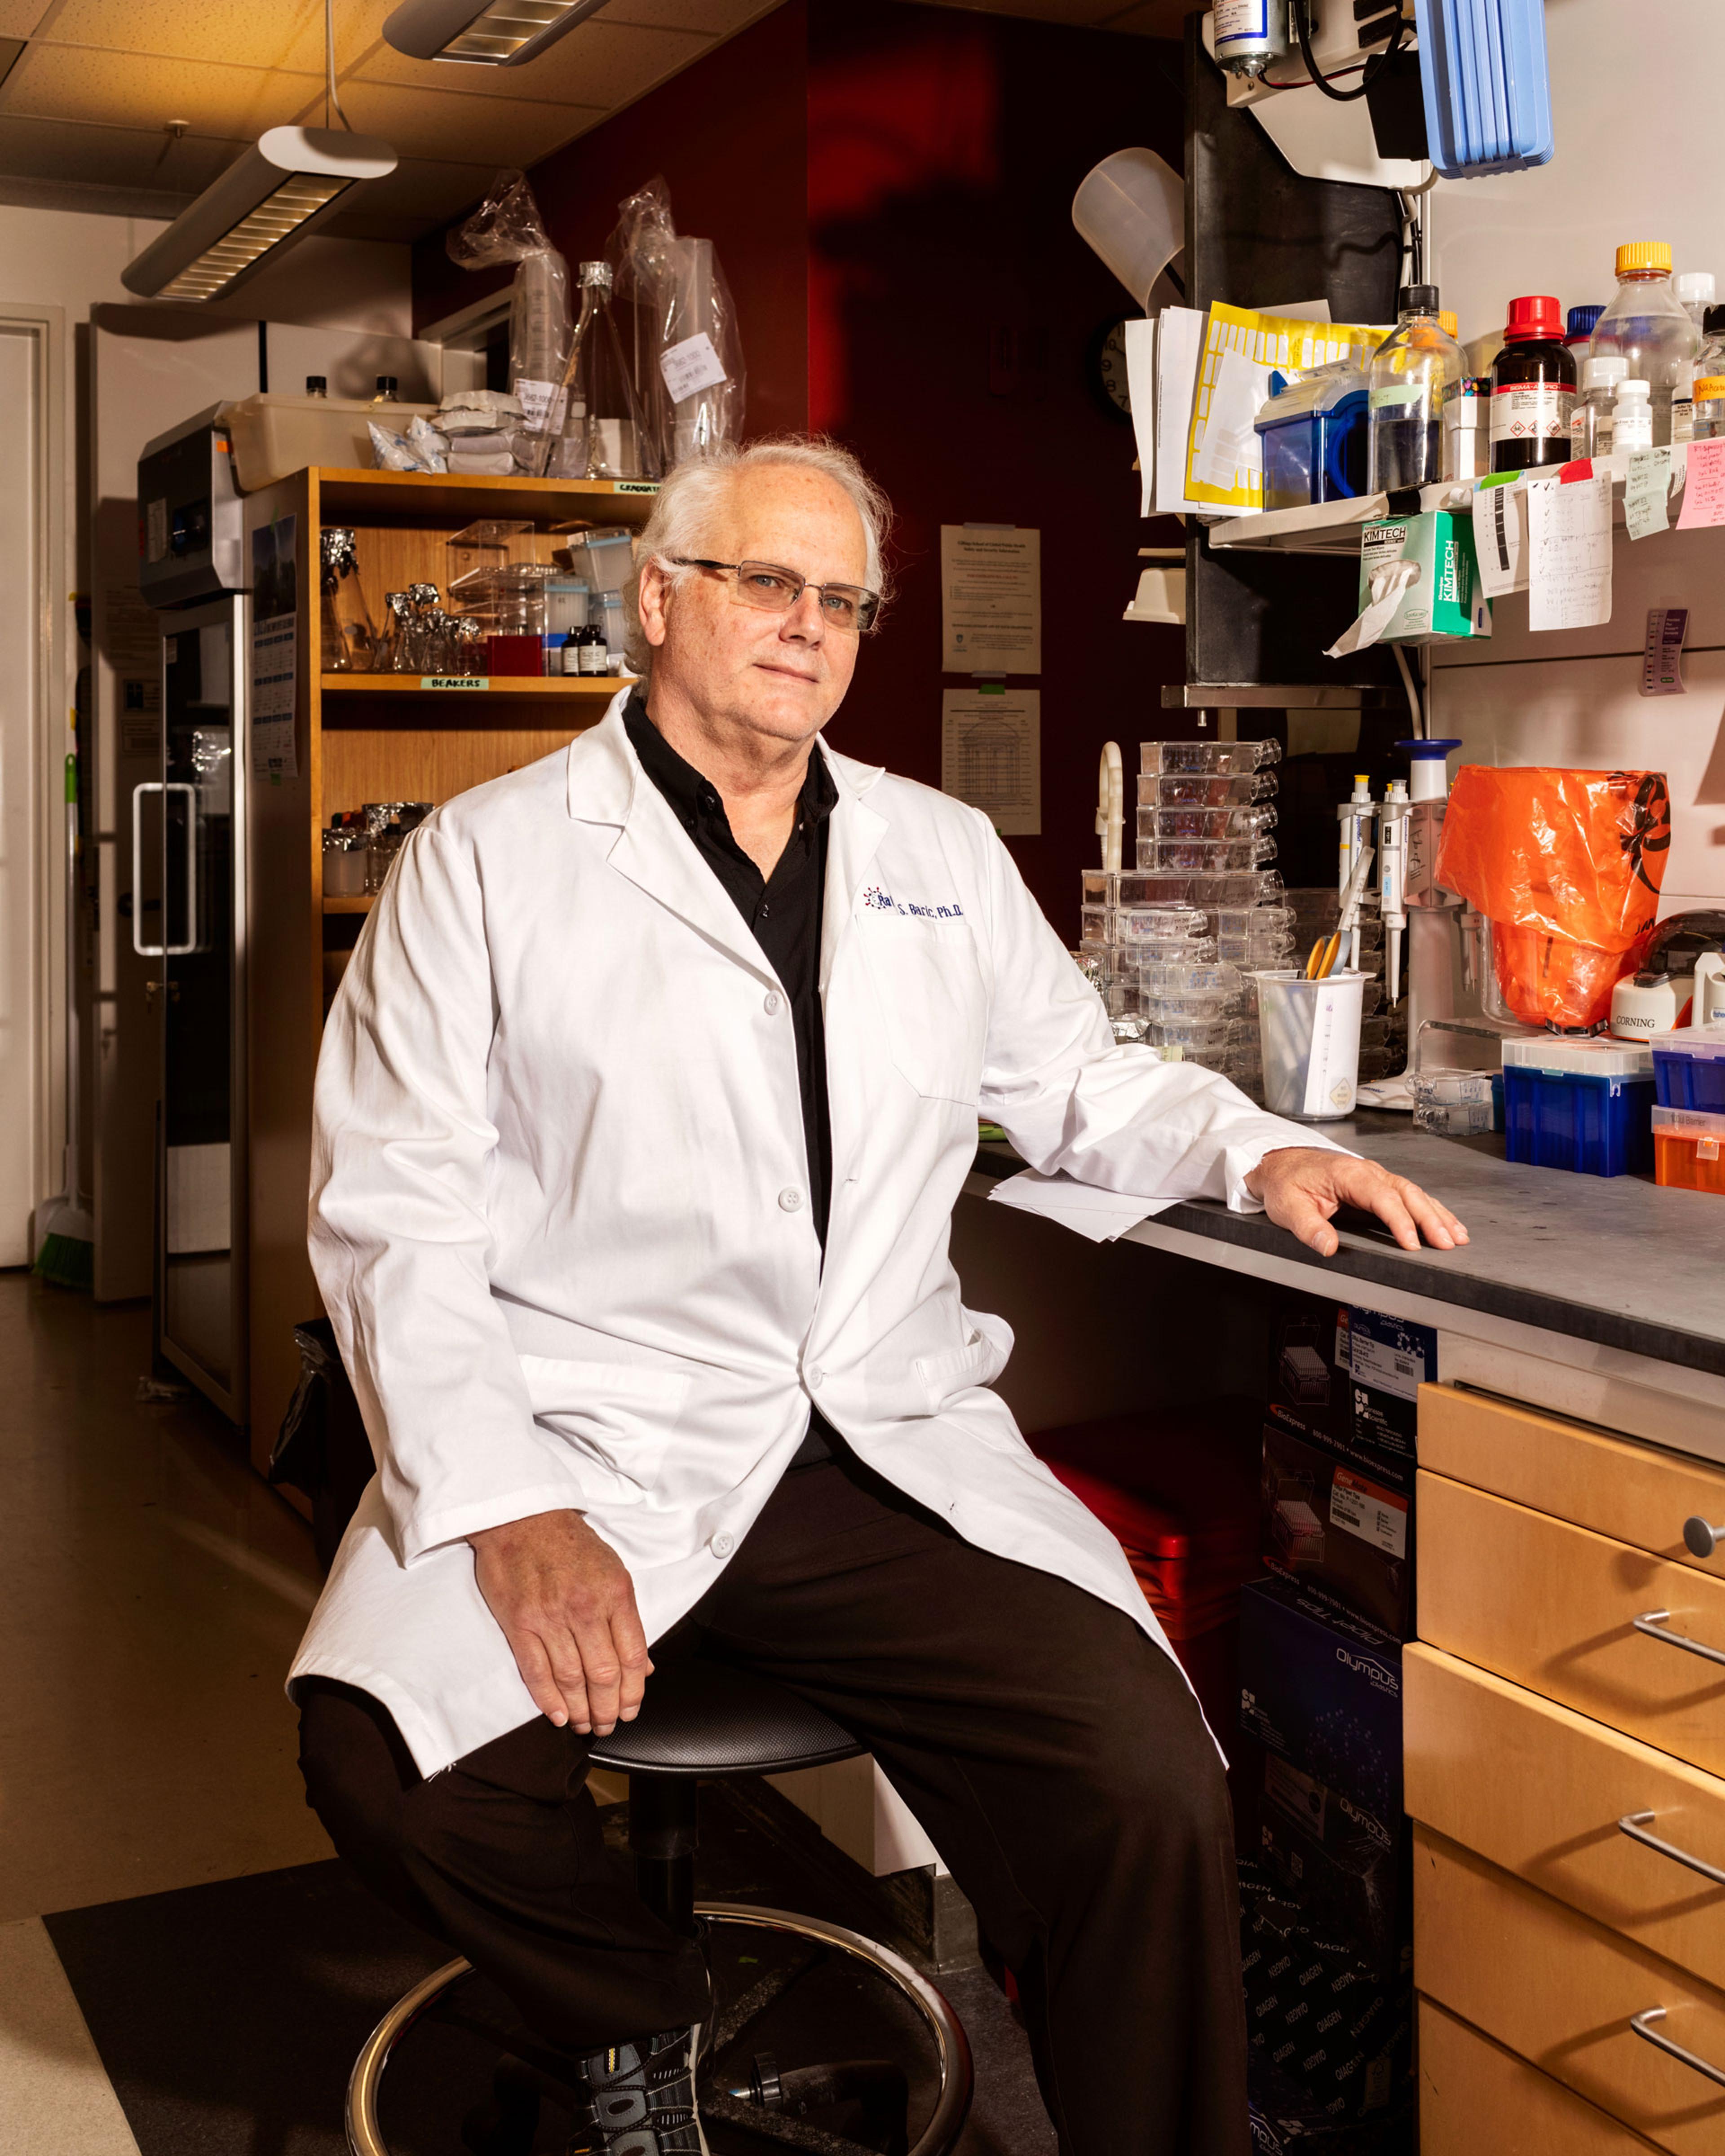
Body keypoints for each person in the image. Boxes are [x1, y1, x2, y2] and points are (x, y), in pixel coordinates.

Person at [292, 436, 1466, 2156]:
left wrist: (1250, 1149)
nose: (810, 627)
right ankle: (639, 2019)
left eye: (842, 600)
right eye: (768, 582)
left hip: (871, 1452)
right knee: (384, 1761)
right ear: (660, 597)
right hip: (590, 1442)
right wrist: (516, 1508)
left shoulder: (936, 849)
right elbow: (392, 1211)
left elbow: (1083, 1080)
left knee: (1144, 1779)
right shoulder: (487, 862)